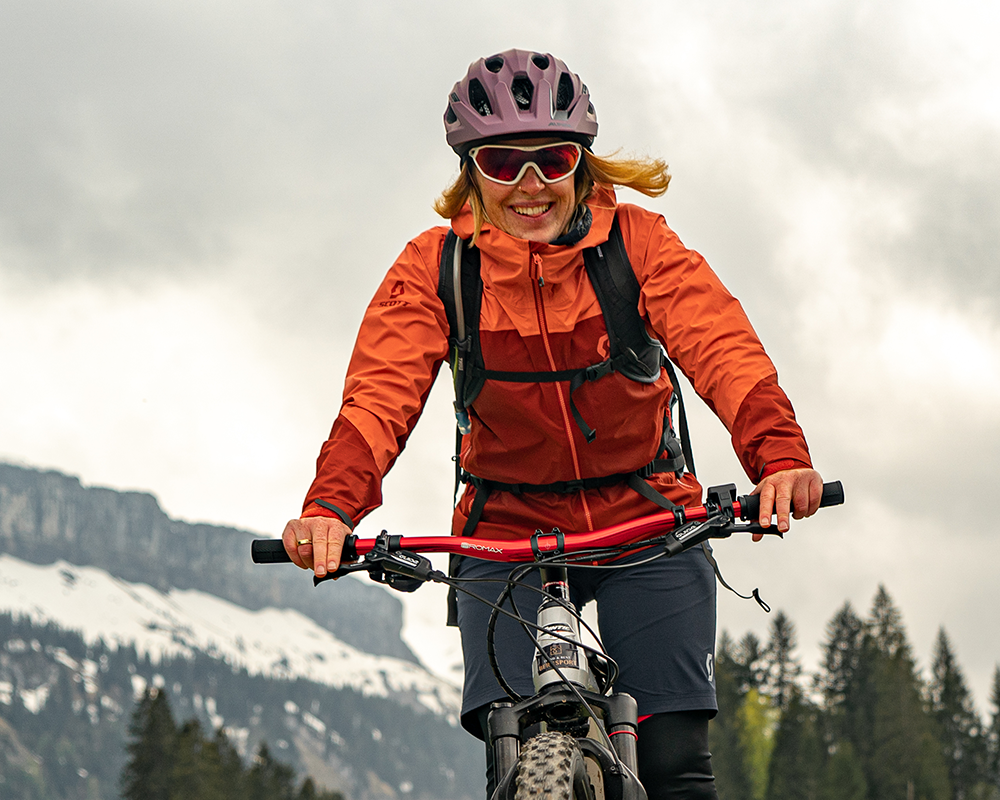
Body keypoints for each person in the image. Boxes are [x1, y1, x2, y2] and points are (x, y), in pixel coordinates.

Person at [282, 49, 823, 799]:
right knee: (510, 744)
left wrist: (779, 455)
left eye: (552, 160)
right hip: (504, 526)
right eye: (503, 163)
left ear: (582, 164)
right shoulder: (437, 269)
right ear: (472, 171)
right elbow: (378, 396)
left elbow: (721, 346)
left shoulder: (638, 246)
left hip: (649, 517)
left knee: (673, 763)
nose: (529, 186)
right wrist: (331, 507)